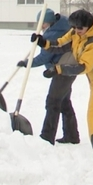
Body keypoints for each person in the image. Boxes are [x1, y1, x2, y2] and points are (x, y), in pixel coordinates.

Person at [32, 9, 93, 165]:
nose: (76, 31)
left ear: (88, 26)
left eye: (79, 29)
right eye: (74, 28)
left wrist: (59, 69)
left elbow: (83, 67)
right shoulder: (77, 33)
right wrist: (44, 42)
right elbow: (61, 43)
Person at [17, 9, 79, 145]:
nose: (41, 26)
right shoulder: (62, 23)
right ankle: (72, 135)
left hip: (61, 70)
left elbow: (43, 58)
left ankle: (47, 136)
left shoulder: (52, 35)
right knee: (64, 102)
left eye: (43, 23)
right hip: (70, 68)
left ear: (49, 21)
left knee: (53, 102)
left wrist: (26, 63)